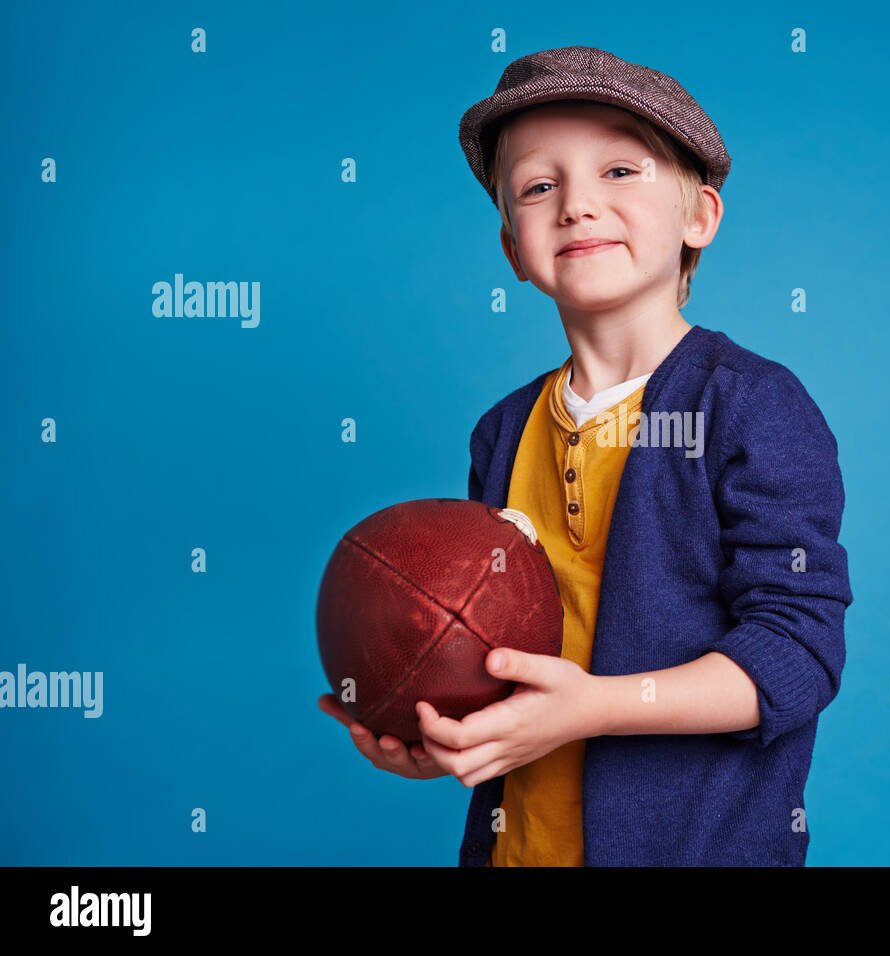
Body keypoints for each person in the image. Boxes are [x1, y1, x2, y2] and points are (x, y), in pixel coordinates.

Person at [319, 45, 853, 866]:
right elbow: (502, 665)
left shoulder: (750, 404)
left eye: (618, 171)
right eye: (539, 186)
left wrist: (594, 707)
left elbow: (796, 655)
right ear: (512, 250)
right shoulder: (502, 433)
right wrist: (439, 725)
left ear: (699, 217)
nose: (576, 205)